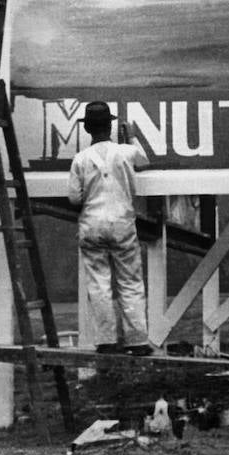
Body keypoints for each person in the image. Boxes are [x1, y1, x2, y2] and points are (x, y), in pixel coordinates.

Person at [67, 100, 154, 355]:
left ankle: (105, 341)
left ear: (88, 129)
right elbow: (145, 161)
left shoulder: (80, 159)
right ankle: (137, 341)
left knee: (98, 284)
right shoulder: (126, 152)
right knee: (130, 283)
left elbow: (74, 198)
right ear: (110, 125)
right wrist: (132, 138)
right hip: (122, 224)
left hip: (92, 225)